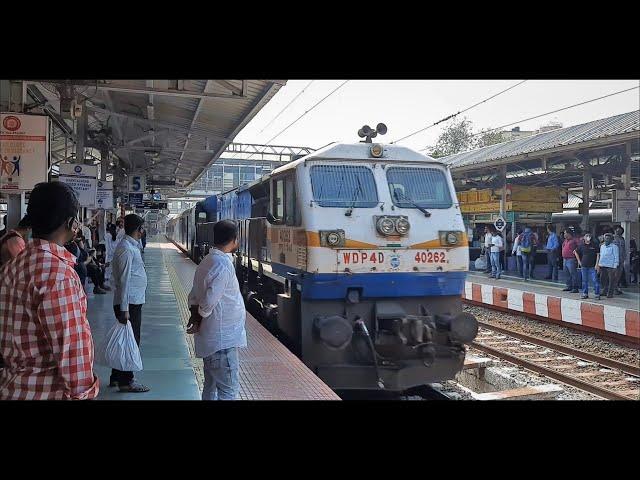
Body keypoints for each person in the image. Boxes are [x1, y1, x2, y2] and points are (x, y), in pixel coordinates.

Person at [0, 182, 99, 400]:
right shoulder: (59, 275)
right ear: (71, 223)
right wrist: (86, 393)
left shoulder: (12, 267)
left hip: (11, 388)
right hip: (47, 392)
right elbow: (72, 353)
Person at [187, 220, 246, 400]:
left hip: (213, 339)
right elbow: (209, 301)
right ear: (235, 239)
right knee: (228, 391)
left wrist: (197, 318)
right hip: (222, 341)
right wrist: (200, 318)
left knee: (210, 388)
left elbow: (193, 295)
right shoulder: (222, 265)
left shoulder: (208, 260)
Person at [110, 214, 150, 393]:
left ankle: (116, 377)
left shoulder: (131, 246)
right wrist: (124, 309)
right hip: (129, 304)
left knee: (125, 340)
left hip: (132, 301)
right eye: (142, 227)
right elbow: (124, 281)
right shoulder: (126, 249)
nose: (144, 230)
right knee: (131, 342)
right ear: (138, 229)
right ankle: (127, 381)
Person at [575, 233, 600, 299]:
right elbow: (575, 252)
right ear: (584, 237)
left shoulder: (594, 245)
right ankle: (585, 293)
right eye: (587, 236)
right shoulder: (581, 245)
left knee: (595, 280)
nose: (588, 237)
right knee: (584, 280)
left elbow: (598, 255)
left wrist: (597, 265)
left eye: (589, 236)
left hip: (592, 266)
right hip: (584, 266)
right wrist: (579, 261)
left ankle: (597, 294)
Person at [598, 233, 620, 299]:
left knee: (611, 280)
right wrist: (599, 265)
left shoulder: (614, 247)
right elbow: (601, 255)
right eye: (605, 238)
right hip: (603, 265)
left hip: (611, 266)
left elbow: (616, 257)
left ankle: (610, 293)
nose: (606, 240)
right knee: (603, 279)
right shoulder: (602, 246)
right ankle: (604, 291)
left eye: (608, 239)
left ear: (611, 240)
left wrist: (615, 266)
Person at [613, 226, 627, 293]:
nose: (618, 232)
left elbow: (624, 249)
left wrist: (624, 258)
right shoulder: (611, 238)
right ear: (615, 230)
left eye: (620, 231)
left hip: (621, 259)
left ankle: (615, 287)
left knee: (619, 275)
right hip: (613, 260)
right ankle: (612, 288)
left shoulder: (622, 239)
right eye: (617, 230)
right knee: (613, 275)